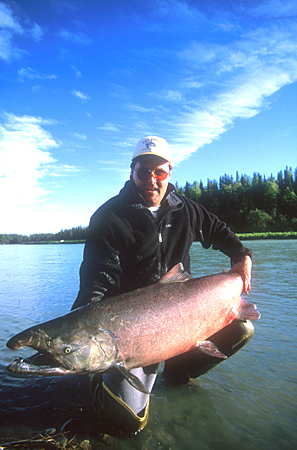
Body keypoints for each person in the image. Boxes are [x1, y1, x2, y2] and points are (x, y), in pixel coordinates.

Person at [71, 136, 253, 437]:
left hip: (185, 320)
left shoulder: (187, 209)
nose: (151, 180)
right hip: (133, 333)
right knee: (129, 426)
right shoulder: (109, 217)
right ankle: (97, 379)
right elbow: (97, 278)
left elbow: (219, 231)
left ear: (169, 173)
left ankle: (179, 373)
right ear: (132, 172)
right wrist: (82, 323)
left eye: (160, 173)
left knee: (242, 329)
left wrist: (241, 256)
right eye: (143, 172)